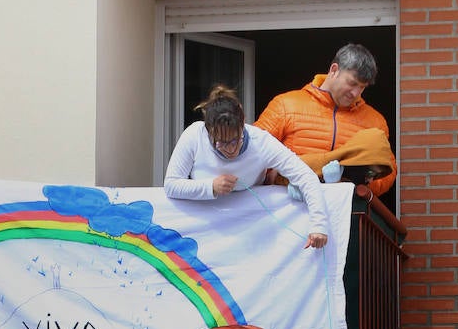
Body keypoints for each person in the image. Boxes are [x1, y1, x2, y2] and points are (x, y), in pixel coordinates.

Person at [164, 85, 328, 250]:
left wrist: (319, 225)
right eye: (220, 142)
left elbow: (305, 176)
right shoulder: (194, 135)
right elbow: (171, 185)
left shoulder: (261, 142)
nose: (230, 150)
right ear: (208, 132)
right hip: (203, 229)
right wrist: (211, 186)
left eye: (235, 140)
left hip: (250, 229)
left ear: (243, 124)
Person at [255, 44, 397, 197]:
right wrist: (274, 176)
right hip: (289, 210)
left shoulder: (375, 121)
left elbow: (388, 171)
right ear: (334, 70)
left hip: (345, 213)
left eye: (362, 87)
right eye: (352, 83)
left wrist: (362, 183)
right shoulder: (285, 104)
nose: (355, 92)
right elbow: (254, 150)